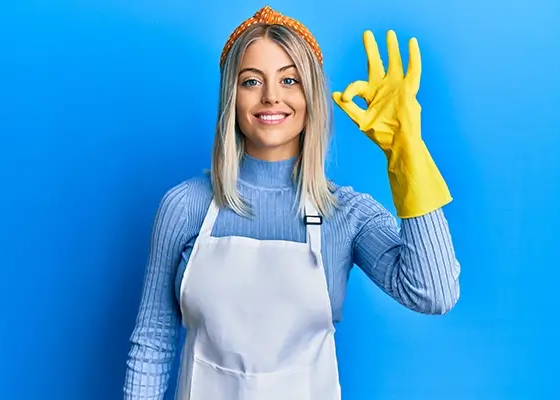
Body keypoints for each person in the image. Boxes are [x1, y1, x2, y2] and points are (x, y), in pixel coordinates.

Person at [123, 5, 460, 400]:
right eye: (251, 81)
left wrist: (409, 152)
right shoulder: (186, 206)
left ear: (311, 96)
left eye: (290, 80)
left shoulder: (346, 214)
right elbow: (153, 343)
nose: (271, 97)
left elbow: (433, 293)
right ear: (231, 96)